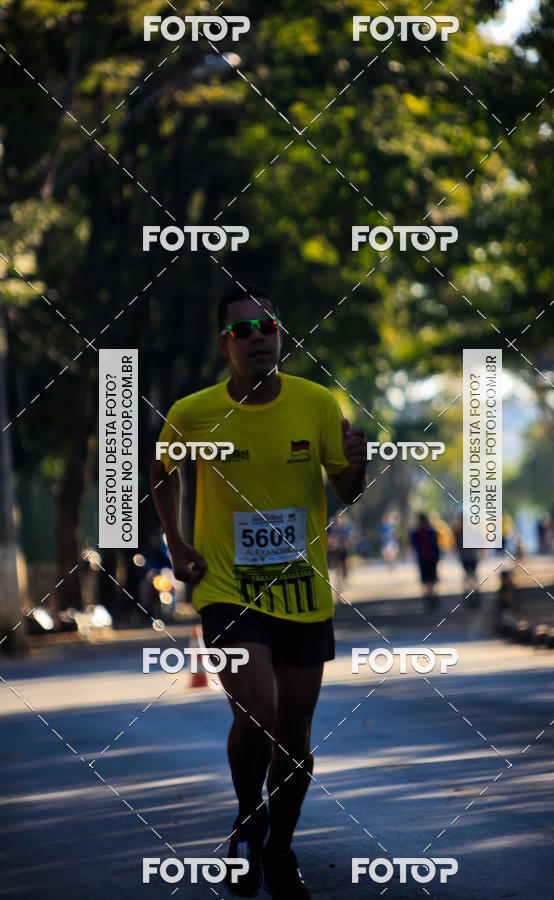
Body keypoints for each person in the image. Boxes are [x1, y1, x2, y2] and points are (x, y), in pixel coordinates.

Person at [150, 284, 367, 899]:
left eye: (266, 327)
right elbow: (161, 469)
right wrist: (176, 543)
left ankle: (279, 848)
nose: (256, 339)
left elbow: (346, 490)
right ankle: (249, 815)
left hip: (303, 594)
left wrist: (360, 462)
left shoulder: (316, 403)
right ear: (224, 345)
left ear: (281, 336)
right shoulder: (194, 413)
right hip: (228, 590)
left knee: (294, 737)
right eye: (241, 331)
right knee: (257, 712)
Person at [410, 513, 440, 610]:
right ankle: (431, 596)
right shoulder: (431, 531)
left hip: (422, 558)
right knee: (432, 579)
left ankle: (427, 597)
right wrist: (438, 558)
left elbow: (413, 544)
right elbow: (436, 545)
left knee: (425, 580)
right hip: (431, 558)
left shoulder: (416, 532)